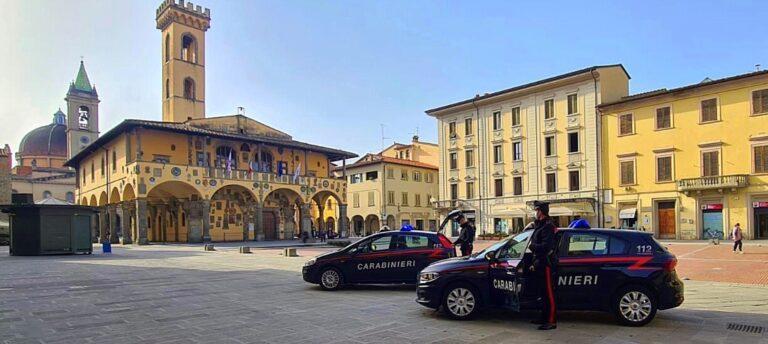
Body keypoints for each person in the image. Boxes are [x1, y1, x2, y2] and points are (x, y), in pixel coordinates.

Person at [528, 201, 557, 330]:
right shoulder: (539, 226)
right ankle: (543, 317)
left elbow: (546, 246)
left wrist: (532, 247)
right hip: (539, 262)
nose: (536, 212)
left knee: (548, 294)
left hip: (546, 263)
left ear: (542, 212)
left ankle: (551, 321)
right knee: (542, 293)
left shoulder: (548, 226)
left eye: (537, 210)